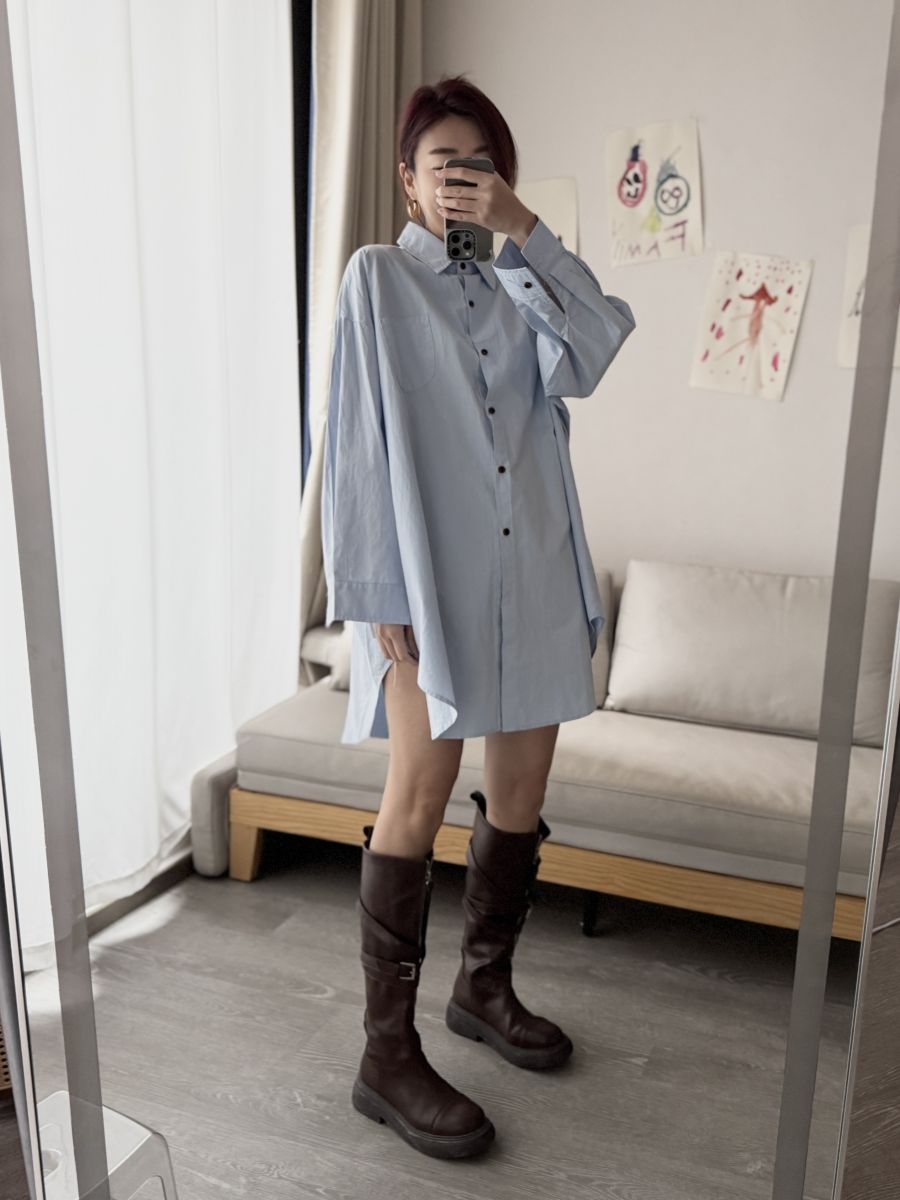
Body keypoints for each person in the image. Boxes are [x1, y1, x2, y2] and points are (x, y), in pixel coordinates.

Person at [321, 74, 636, 1160]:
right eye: (442, 164)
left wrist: (524, 230)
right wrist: (375, 593)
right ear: (407, 181)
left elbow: (599, 346)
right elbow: (353, 443)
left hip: (534, 575)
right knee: (418, 792)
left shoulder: (522, 288)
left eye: (481, 164)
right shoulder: (376, 279)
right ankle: (386, 1055)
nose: (461, 179)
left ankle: (483, 989)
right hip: (431, 588)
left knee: (523, 793)